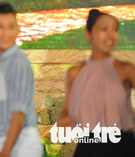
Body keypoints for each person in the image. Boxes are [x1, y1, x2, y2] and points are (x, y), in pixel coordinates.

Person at [57, 9, 135, 156]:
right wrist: (65, 120)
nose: (110, 35)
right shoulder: (75, 73)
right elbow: (66, 111)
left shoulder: (126, 69)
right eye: (103, 29)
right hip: (89, 144)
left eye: (114, 29)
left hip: (122, 146)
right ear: (88, 33)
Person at [0, 3, 42, 157]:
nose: (6, 33)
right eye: (0, 27)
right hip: (4, 140)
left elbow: (19, 111)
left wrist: (7, 149)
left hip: (21, 142)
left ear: (18, 30)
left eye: (11, 27)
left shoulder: (18, 62)